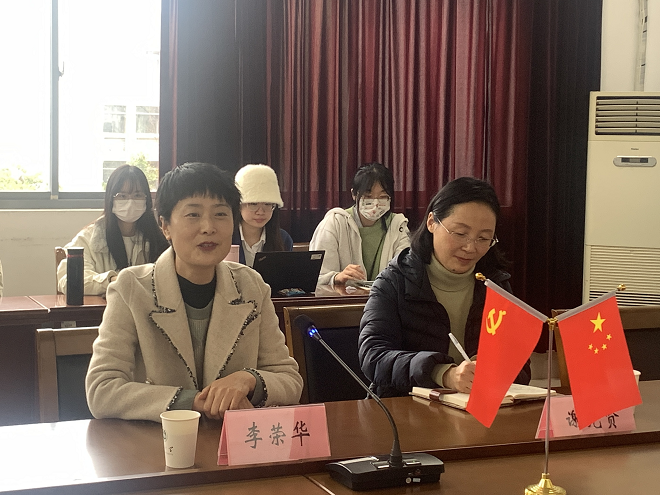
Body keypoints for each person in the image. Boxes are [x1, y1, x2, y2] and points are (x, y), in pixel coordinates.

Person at [86, 162, 303, 422]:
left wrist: (248, 379)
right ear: (165, 226)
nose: (208, 227)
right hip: (156, 441)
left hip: (232, 441)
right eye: (193, 214)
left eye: (220, 214)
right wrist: (193, 402)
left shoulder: (250, 286)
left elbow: (289, 380)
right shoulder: (131, 287)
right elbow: (102, 389)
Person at [358, 177, 531, 398]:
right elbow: (373, 357)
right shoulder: (394, 282)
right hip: (408, 409)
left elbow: (522, 364)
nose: (470, 247)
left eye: (483, 238)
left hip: (477, 409)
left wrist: (493, 367)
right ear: (432, 222)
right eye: (460, 234)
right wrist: (442, 373)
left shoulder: (495, 284)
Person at [57, 165, 169, 295]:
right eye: (122, 196)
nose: (130, 202)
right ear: (110, 199)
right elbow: (69, 281)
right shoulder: (88, 238)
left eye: (137, 195)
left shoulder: (160, 238)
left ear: (147, 200)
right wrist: (113, 280)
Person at [309, 162, 410, 285]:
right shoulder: (335, 223)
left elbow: (405, 271)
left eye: (383, 196)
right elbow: (317, 275)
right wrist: (336, 277)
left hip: (385, 296)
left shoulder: (398, 226)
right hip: (344, 296)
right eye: (368, 196)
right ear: (354, 194)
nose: (376, 203)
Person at [232, 164, 293, 266]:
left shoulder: (283, 239)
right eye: (253, 204)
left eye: (267, 204)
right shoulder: (225, 237)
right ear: (239, 205)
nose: (260, 212)